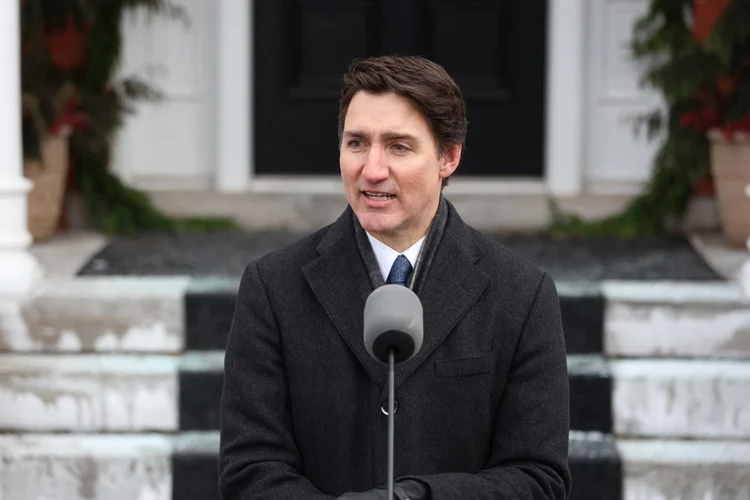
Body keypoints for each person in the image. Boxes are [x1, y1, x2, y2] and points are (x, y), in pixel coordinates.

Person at [218, 55, 571, 500]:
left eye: (398, 146)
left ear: (449, 156)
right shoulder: (272, 287)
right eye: (357, 144)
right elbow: (248, 470)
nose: (372, 170)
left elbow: (538, 477)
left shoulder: (522, 295)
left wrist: (416, 497)